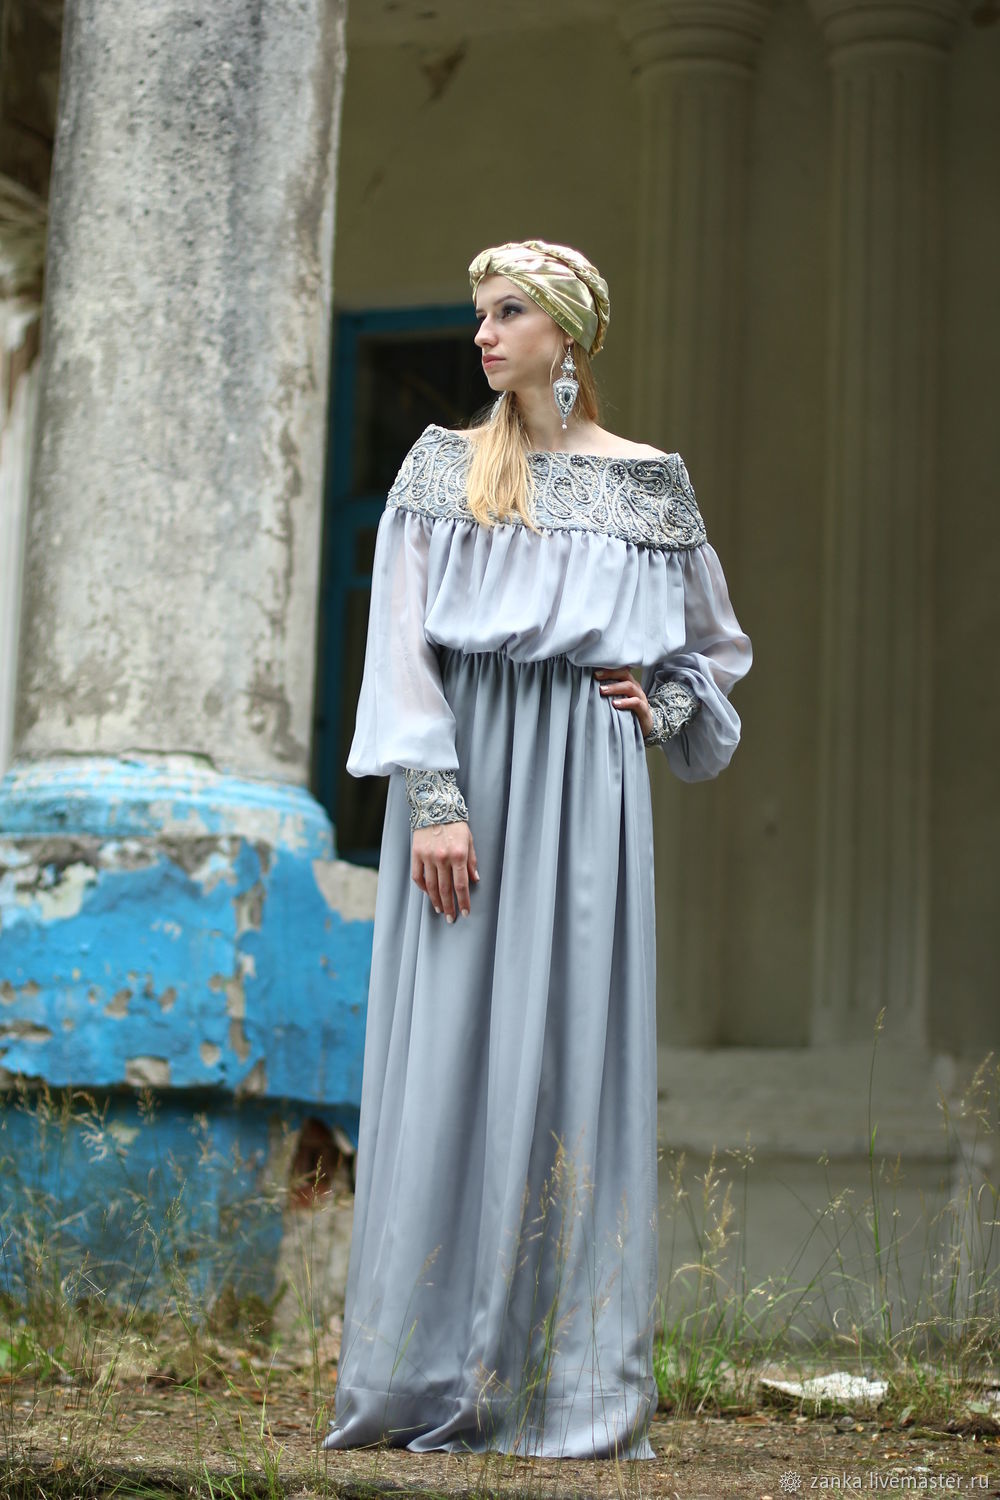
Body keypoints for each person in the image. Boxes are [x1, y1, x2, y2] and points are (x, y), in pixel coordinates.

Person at [322, 239, 752, 1460]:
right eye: (479, 314)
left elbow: (714, 649)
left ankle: (565, 1388)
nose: (483, 333)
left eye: (508, 312)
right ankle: (424, 1376)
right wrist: (435, 798)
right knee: (446, 1053)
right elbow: (400, 641)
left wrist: (658, 706)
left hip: (588, 792)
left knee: (572, 1052)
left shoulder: (652, 485)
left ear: (566, 333)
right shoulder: (441, 466)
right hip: (463, 779)